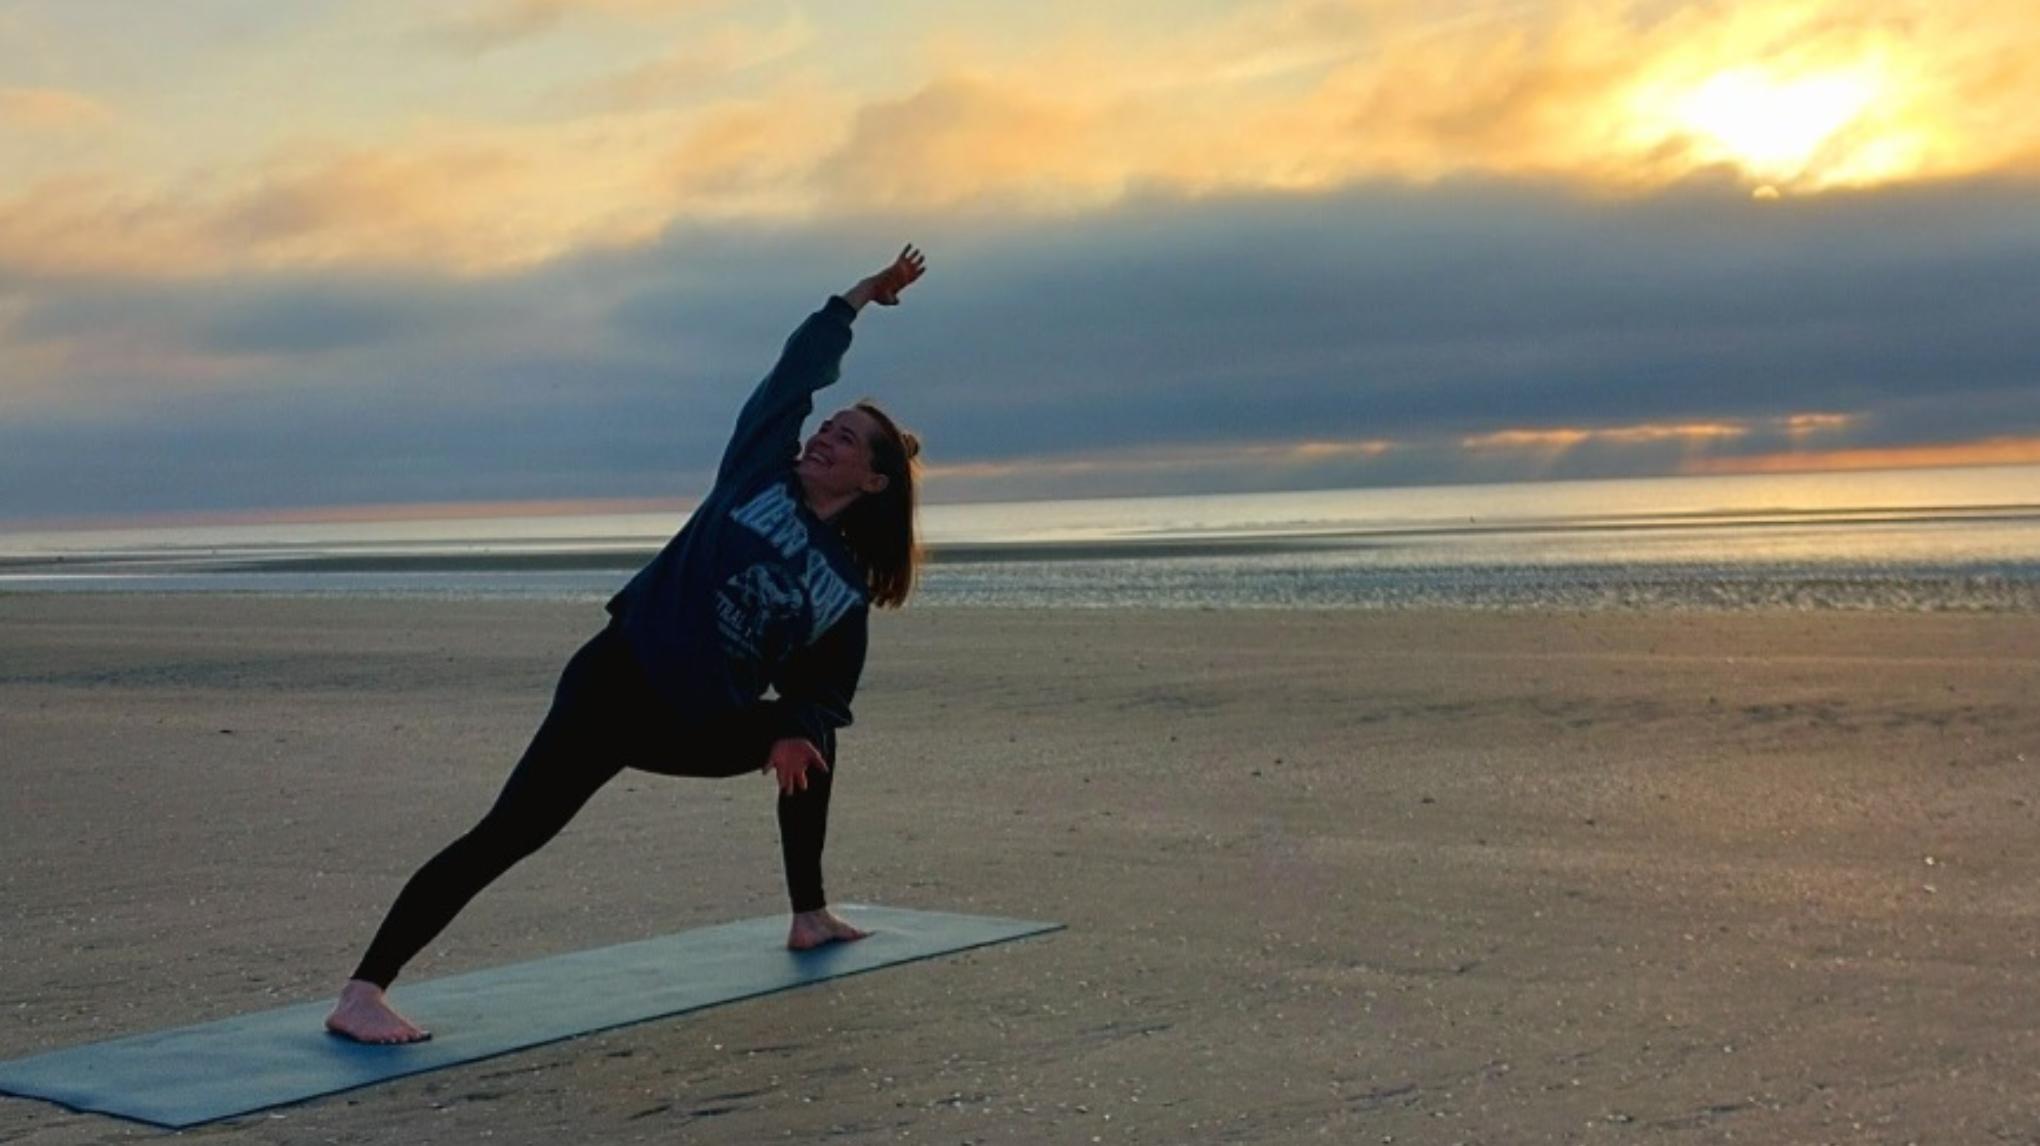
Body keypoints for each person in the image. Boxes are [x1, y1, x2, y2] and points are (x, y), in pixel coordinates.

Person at [325, 245, 929, 1045]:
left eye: (846, 440)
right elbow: (794, 377)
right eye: (829, 426)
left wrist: (793, 724)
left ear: (873, 481)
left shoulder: (842, 587)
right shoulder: (757, 473)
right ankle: (362, 993)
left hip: (696, 720)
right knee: (509, 835)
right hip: (616, 688)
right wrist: (854, 300)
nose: (824, 436)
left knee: (811, 737)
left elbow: (827, 690)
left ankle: (808, 914)